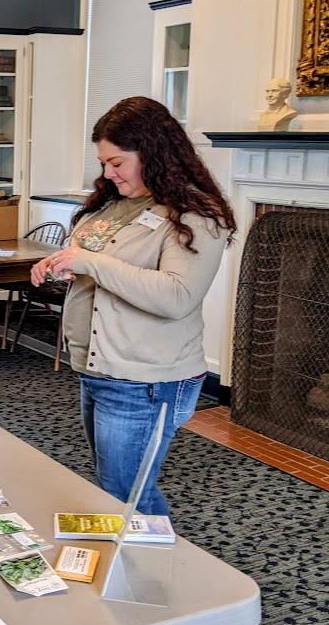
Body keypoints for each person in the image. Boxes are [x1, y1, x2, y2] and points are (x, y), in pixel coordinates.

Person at [31, 96, 237, 517]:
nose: (108, 172)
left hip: (144, 378)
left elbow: (176, 296)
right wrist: (61, 264)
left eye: (117, 162)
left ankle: (161, 578)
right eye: (104, 162)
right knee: (115, 488)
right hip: (98, 366)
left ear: (154, 154)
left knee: (128, 496)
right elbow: (95, 260)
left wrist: (89, 262)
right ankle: (131, 575)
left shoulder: (196, 214)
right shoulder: (114, 202)